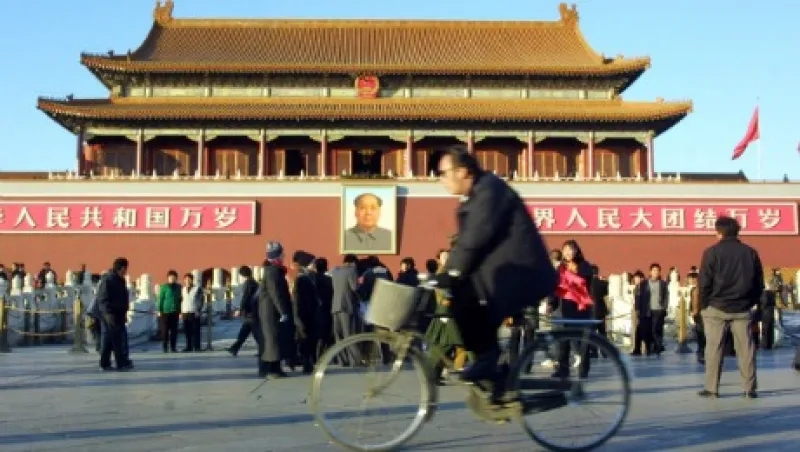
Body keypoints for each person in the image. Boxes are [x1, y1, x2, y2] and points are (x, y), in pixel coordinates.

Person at [431, 146, 557, 386]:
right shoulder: (475, 195)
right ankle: (493, 371)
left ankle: (490, 364)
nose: (441, 179)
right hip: (503, 273)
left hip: (523, 274)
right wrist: (450, 274)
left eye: (443, 173)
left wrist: (452, 272)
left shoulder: (490, 190)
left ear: (463, 171)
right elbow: (466, 243)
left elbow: (475, 238)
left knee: (469, 305)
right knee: (463, 301)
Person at [698, 216, 763, 399]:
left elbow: (704, 283)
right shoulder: (750, 253)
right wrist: (750, 302)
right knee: (746, 349)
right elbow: (759, 283)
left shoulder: (711, 252)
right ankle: (749, 388)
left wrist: (703, 305)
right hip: (742, 308)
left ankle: (712, 388)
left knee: (714, 348)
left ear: (719, 232)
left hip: (716, 307)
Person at [550, 240, 594, 379]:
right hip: (563, 308)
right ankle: (563, 369)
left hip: (580, 308)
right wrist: (551, 303)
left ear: (576, 251)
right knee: (563, 341)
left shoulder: (584, 265)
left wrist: (571, 273)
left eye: (571, 249)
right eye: (565, 250)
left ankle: (583, 369)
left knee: (581, 341)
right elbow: (555, 286)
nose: (568, 252)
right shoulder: (561, 267)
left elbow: (583, 283)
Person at [256, 242, 292, 379]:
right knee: (272, 340)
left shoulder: (274, 270)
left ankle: (276, 368)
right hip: (270, 311)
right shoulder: (273, 271)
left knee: (276, 340)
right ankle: (270, 370)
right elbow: (275, 293)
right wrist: (282, 311)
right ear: (277, 255)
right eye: (282, 254)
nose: (284, 256)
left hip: (272, 310)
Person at [96, 257, 133, 371]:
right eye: (125, 268)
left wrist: (125, 311)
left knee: (110, 340)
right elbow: (102, 299)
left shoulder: (120, 280)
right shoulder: (107, 280)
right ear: (122, 268)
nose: (126, 271)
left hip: (119, 313)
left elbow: (123, 297)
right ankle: (120, 363)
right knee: (116, 340)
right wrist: (108, 314)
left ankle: (105, 363)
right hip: (110, 314)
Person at [330, 254, 362, 366]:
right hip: (347, 306)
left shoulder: (335, 271)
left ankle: (342, 360)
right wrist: (360, 283)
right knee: (349, 334)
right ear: (352, 262)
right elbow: (354, 287)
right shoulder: (351, 271)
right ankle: (355, 360)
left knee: (338, 335)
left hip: (335, 306)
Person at [290, 250, 319, 374]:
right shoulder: (301, 278)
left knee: (310, 340)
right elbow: (296, 300)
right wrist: (297, 318)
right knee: (304, 340)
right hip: (303, 314)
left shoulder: (309, 276)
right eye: (313, 262)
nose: (314, 264)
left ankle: (308, 364)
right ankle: (306, 364)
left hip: (310, 314)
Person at [636, 263, 669, 356]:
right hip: (647, 310)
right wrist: (638, 309)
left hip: (658, 310)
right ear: (650, 272)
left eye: (657, 271)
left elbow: (666, 296)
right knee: (648, 330)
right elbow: (639, 297)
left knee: (656, 330)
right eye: (654, 270)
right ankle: (650, 348)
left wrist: (664, 307)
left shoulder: (663, 284)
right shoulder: (644, 284)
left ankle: (657, 347)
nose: (656, 272)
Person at [227, 266, 259, 357]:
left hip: (250, 312)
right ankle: (234, 348)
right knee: (245, 331)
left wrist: (240, 310)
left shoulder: (248, 283)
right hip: (253, 311)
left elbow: (245, 297)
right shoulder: (254, 283)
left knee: (255, 333)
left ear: (242, 275)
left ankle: (263, 350)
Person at [156, 270, 182, 353]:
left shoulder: (179, 287)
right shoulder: (164, 287)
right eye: (171, 277)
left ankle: (173, 347)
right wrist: (159, 310)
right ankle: (165, 347)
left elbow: (180, 299)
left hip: (175, 311)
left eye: (174, 277)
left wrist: (180, 311)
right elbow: (160, 299)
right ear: (168, 278)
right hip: (165, 312)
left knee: (174, 331)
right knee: (165, 331)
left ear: (176, 278)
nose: (172, 279)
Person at [180, 273, 204, 352]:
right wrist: (180, 312)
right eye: (186, 279)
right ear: (184, 280)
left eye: (189, 279)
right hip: (185, 312)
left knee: (196, 330)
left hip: (194, 312)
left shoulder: (197, 289)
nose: (187, 281)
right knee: (187, 331)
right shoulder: (183, 289)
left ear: (192, 280)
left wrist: (199, 310)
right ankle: (188, 346)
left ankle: (197, 347)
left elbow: (201, 300)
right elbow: (181, 301)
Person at [687, 271, 705, 364]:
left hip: (701, 313)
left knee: (701, 332)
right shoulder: (693, 290)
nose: (689, 281)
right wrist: (690, 310)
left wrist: (694, 311)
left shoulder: (700, 289)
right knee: (699, 332)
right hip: (698, 315)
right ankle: (701, 349)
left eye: (691, 279)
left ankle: (702, 350)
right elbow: (692, 302)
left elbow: (696, 302)